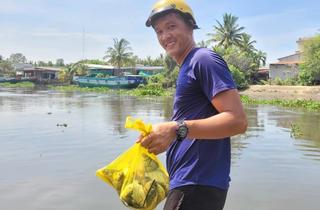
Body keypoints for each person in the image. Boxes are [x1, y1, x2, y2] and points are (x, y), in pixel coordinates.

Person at [138, 0, 248, 209]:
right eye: (159, 31)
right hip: (189, 182)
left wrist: (176, 129)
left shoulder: (203, 59)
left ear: (190, 25)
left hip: (197, 184)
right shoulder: (188, 66)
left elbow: (237, 121)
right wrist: (164, 137)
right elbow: (194, 127)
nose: (165, 36)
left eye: (171, 26)